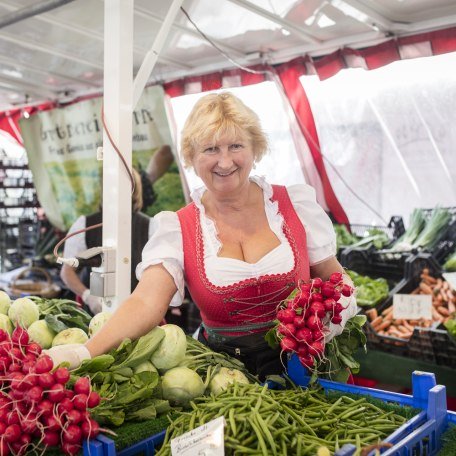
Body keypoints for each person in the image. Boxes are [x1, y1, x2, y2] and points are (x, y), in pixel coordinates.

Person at [48, 92, 357, 379]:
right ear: (192, 158)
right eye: (210, 149)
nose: (224, 161)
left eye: (236, 146)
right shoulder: (177, 226)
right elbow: (146, 301)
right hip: (225, 379)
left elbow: (336, 282)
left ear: (255, 148)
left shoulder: (294, 206)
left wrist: (329, 321)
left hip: (307, 370)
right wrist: (86, 350)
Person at [60, 146, 174, 314]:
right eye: (111, 187)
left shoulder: (151, 227)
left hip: (137, 314)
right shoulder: (85, 224)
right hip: (94, 316)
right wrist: (87, 296)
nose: (116, 192)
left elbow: (160, 277)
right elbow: (67, 271)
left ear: (134, 191)